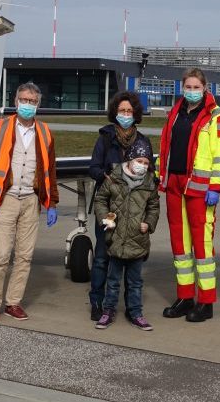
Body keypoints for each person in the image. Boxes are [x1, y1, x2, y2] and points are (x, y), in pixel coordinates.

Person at [0, 82, 59, 323]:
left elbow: (50, 170)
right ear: (15, 101)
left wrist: (52, 203)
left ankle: (13, 302)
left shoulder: (45, 132)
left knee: (25, 256)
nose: (27, 105)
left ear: (38, 104)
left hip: (31, 201)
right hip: (5, 199)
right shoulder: (0, 128)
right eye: (23, 100)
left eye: (32, 101)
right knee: (0, 254)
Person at [156, 68, 220, 322]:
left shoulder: (217, 117)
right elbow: (165, 146)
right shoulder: (175, 113)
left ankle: (206, 302)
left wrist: (215, 186)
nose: (191, 91)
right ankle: (185, 297)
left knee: (202, 246)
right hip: (175, 185)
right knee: (180, 246)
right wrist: (162, 177)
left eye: (196, 87)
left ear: (205, 88)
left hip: (200, 188)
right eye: (187, 87)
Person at [87, 91, 148, 321]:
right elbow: (92, 167)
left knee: (131, 258)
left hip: (132, 208)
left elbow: (149, 171)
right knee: (103, 256)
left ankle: (130, 306)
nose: (125, 114)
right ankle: (97, 301)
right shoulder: (104, 138)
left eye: (129, 111)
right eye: (122, 111)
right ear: (115, 113)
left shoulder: (142, 141)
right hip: (109, 206)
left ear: (135, 114)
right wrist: (106, 175)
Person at [93, 136, 160, 331]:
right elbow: (100, 199)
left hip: (137, 241)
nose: (142, 165)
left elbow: (154, 207)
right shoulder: (114, 177)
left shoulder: (149, 183)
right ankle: (108, 311)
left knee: (135, 282)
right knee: (113, 280)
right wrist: (105, 218)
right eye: (139, 161)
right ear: (130, 160)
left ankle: (136, 313)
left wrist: (149, 223)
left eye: (146, 163)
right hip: (115, 240)